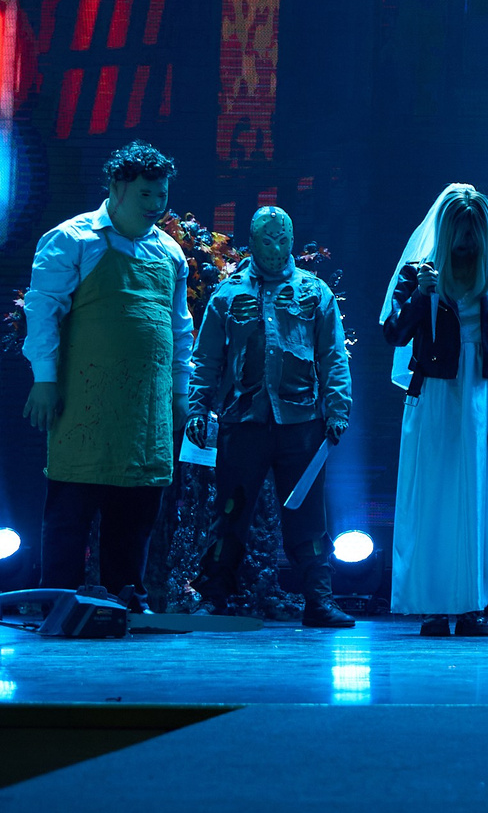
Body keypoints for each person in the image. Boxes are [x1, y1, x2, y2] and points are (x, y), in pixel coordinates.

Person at [21, 142, 193, 610]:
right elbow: (43, 311)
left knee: (136, 512)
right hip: (86, 404)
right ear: (117, 188)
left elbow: (180, 328)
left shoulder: (170, 252)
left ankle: (126, 601)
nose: (155, 205)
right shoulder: (72, 239)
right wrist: (44, 380)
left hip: (146, 410)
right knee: (71, 509)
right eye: (145, 195)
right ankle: (60, 603)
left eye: (161, 195)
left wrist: (181, 393)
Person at [185, 206, 355, 627]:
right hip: (242, 422)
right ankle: (214, 595)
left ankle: (319, 599)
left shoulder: (315, 292)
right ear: (252, 241)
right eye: (267, 240)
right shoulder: (227, 294)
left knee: (308, 516)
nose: (276, 248)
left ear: (292, 240)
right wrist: (197, 408)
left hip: (301, 423)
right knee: (230, 513)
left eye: (283, 240)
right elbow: (206, 359)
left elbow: (333, 356)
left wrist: (337, 409)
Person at [382, 184, 488, 637]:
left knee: (479, 495)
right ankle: (432, 604)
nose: (466, 242)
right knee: (433, 494)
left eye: (473, 233)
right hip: (435, 395)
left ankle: (470, 605)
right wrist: (419, 296)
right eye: (460, 233)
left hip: (482, 396)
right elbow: (393, 333)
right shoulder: (417, 275)